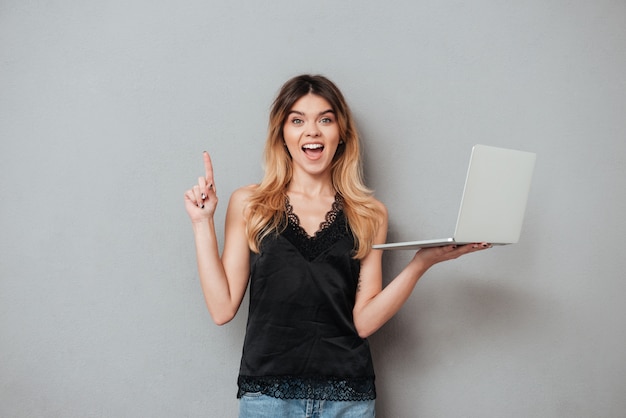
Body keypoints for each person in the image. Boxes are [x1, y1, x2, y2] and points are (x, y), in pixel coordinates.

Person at [184, 74, 491, 418]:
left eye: (325, 120)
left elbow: (362, 322)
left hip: (348, 400)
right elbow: (222, 308)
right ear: (282, 134)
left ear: (341, 133)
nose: (312, 131)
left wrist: (421, 264)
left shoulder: (369, 214)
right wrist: (202, 223)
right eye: (297, 120)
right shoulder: (250, 203)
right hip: (269, 399)